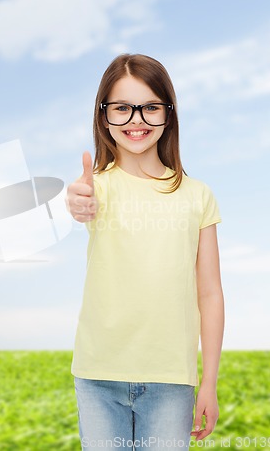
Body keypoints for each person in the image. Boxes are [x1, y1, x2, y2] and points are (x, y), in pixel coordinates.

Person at [65, 54, 225, 450]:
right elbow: (81, 204)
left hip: (171, 380)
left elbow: (210, 293)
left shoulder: (197, 195)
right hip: (98, 374)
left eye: (150, 107)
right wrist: (78, 202)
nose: (136, 120)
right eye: (122, 108)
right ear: (103, 117)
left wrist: (209, 382)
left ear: (168, 115)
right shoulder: (96, 189)